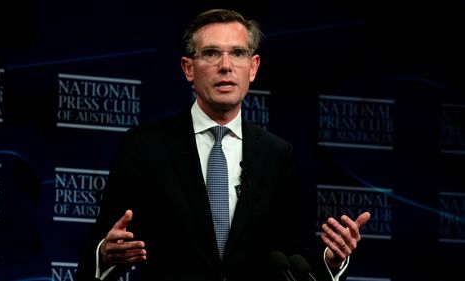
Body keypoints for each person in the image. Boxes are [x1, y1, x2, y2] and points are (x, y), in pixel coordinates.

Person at [76, 8, 371, 281]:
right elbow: (104, 243)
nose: (226, 66)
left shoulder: (277, 154)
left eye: (238, 53)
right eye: (212, 53)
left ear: (253, 67)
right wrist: (104, 253)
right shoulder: (145, 146)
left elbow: (292, 257)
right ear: (188, 67)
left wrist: (331, 261)